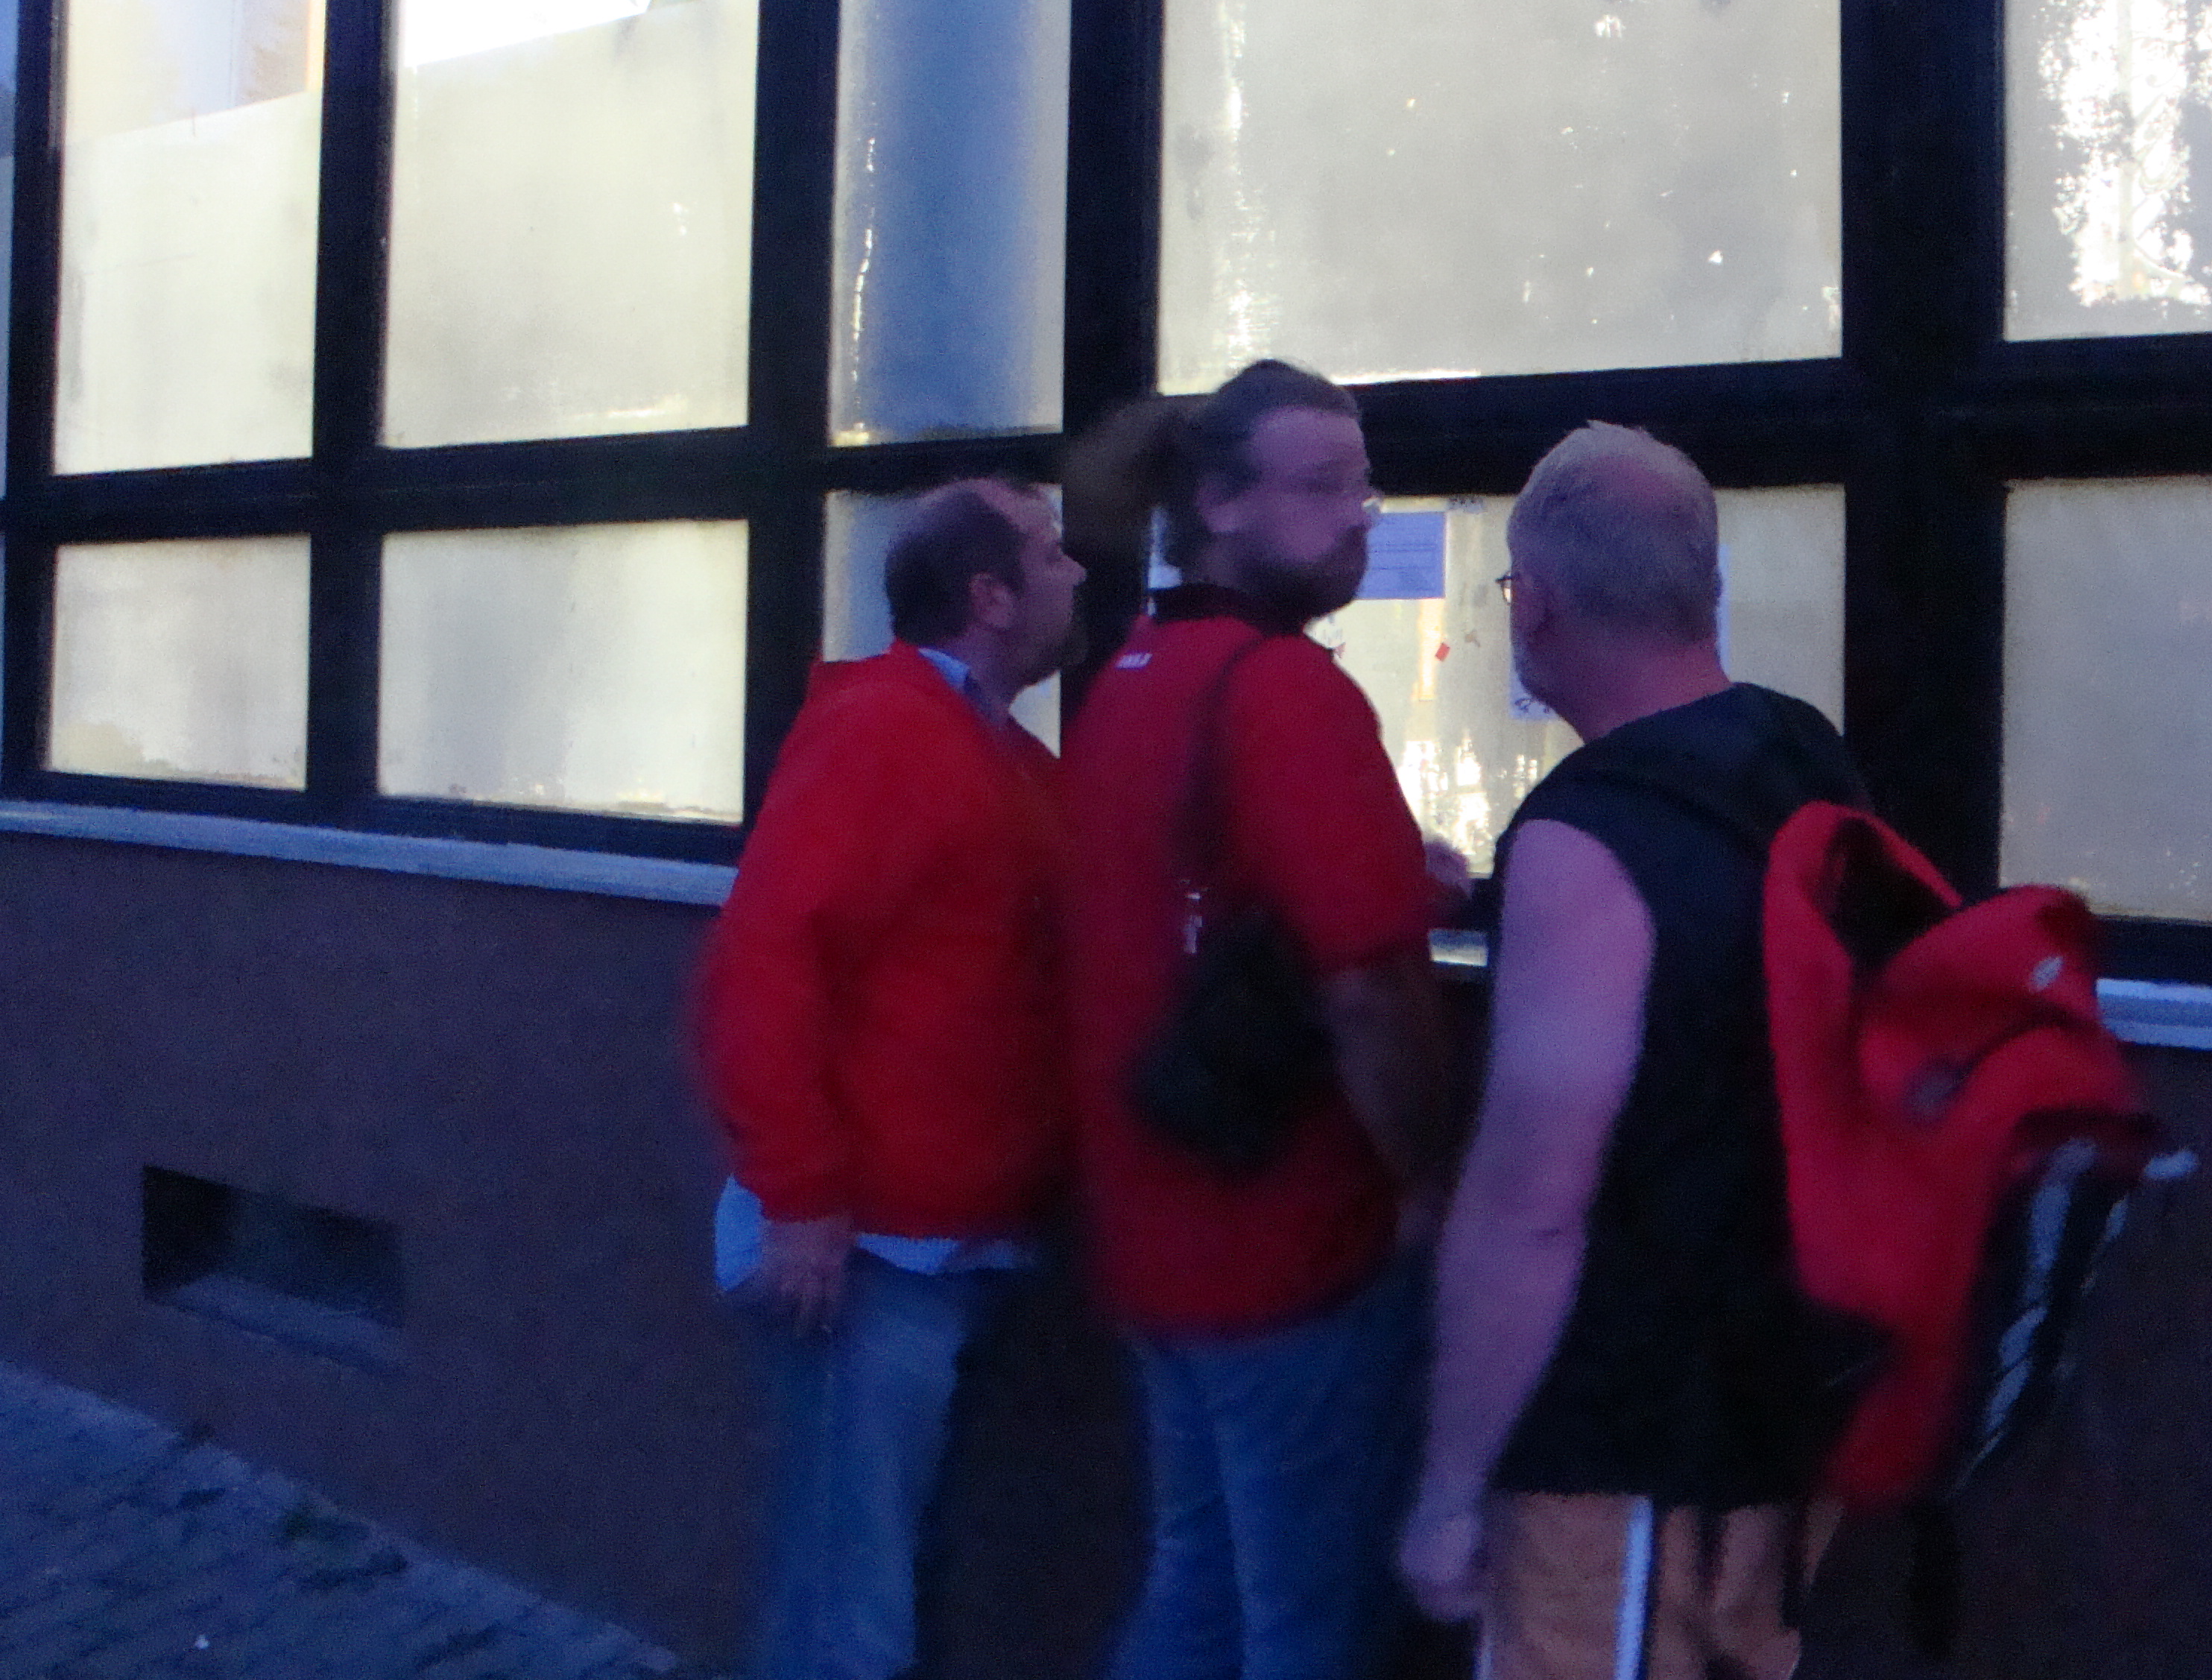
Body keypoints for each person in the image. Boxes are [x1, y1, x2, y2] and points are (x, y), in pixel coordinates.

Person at [1400, 423, 1872, 1680]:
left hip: (1625, 1452)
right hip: (1789, 1408)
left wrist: (1449, 1487)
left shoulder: (1587, 837)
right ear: (1705, 588)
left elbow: (1532, 1207)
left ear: (1537, 607)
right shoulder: (1802, 758)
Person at [1063, 359, 1460, 1680]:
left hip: (1150, 1227)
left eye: (1365, 486)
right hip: (1289, 1241)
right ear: (1221, 504)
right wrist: (1428, 1177)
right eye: (1324, 486)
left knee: (1197, 1581)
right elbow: (1367, 988)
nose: (1359, 516)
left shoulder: (1127, 674)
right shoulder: (1286, 693)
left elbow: (1186, 902)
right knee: (1305, 1622)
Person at [695, 479, 1085, 1680]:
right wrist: (804, 1198)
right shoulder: (884, 730)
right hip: (864, 1256)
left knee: (879, 1578)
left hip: (950, 1247)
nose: (1079, 575)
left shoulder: (1008, 757)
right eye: (1053, 555)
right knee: (846, 1607)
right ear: (990, 596)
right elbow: (764, 960)